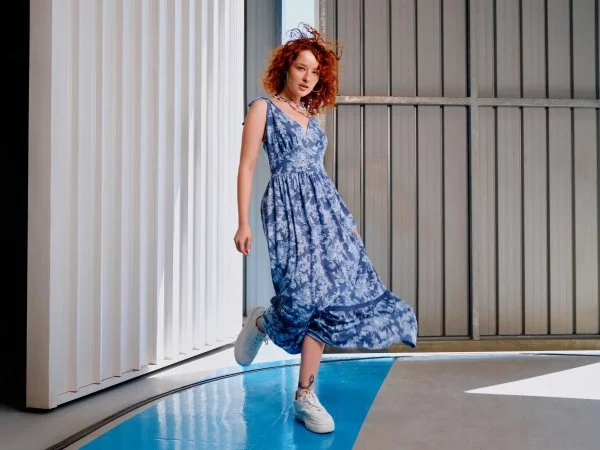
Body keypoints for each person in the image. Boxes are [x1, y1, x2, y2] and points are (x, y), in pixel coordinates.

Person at [233, 23, 418, 434]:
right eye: (301, 68)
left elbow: (320, 176)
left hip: (325, 213)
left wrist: (345, 220)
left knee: (327, 300)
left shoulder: (313, 118)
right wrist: (243, 221)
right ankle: (263, 323)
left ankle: (305, 395)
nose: (307, 78)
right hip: (286, 210)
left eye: (315, 72)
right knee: (299, 297)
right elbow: (247, 166)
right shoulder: (263, 108)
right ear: (286, 67)